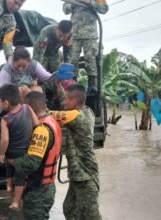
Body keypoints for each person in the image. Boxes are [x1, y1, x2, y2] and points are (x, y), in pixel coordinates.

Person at [7, 91, 62, 220]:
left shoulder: (41, 130)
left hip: (38, 190)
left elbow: (31, 163)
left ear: (29, 109)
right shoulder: (52, 120)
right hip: (46, 187)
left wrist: (11, 161)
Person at [50, 84, 102, 219]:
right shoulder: (87, 111)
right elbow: (65, 109)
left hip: (86, 176)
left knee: (91, 215)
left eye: (67, 99)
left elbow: (46, 114)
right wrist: (61, 90)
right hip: (78, 175)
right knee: (69, 208)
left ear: (74, 102)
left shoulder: (76, 117)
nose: (64, 102)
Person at [0, 46, 55, 125]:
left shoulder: (34, 65)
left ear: (29, 62)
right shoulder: (6, 70)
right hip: (13, 99)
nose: (21, 69)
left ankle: (40, 116)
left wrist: (58, 75)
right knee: (23, 89)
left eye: (24, 66)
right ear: (13, 61)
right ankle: (22, 117)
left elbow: (48, 77)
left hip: (28, 98)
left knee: (37, 89)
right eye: (18, 66)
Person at [0, 84, 39, 211]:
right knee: (19, 176)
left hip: (11, 152)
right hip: (24, 151)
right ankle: (14, 198)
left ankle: (13, 196)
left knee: (10, 168)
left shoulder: (6, 119)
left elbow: (5, 140)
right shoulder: (27, 107)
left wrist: (1, 154)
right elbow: (36, 123)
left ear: (6, 102)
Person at [63, 0, 109, 93]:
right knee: (72, 60)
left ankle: (92, 85)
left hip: (90, 34)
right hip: (75, 34)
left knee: (90, 58)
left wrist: (89, 2)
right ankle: (72, 84)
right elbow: (65, 9)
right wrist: (74, 2)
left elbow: (104, 9)